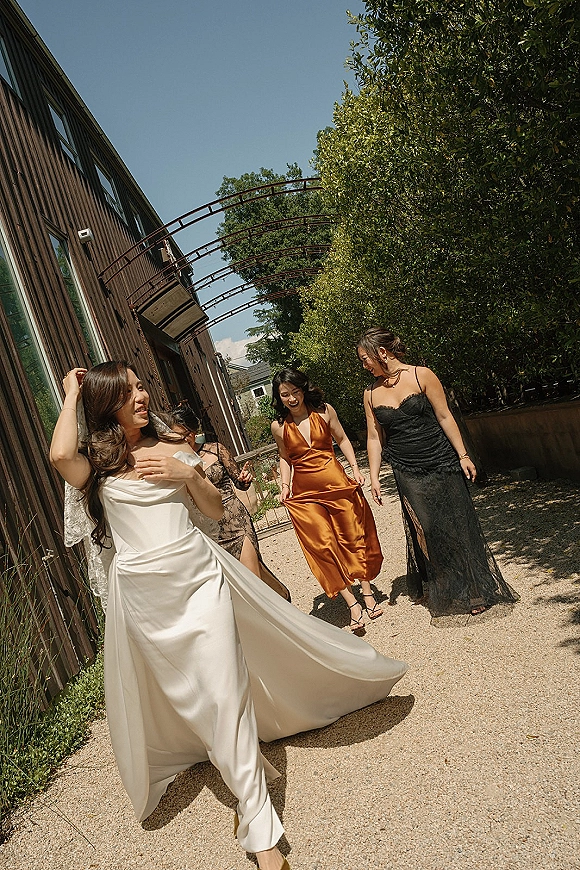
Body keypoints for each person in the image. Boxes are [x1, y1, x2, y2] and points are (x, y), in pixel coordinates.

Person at [51, 361, 408, 870]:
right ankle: (239, 776)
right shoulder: (98, 465)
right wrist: (69, 393)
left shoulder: (175, 444)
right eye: (129, 391)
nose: (142, 396)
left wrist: (186, 473)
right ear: (105, 402)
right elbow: (60, 453)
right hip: (145, 598)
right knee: (195, 700)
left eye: (142, 386)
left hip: (199, 579)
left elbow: (216, 510)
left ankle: (260, 833)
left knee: (224, 689)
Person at [357, 327, 519, 618]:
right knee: (429, 528)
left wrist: (463, 455)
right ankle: (447, 585)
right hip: (406, 468)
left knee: (458, 523)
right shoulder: (370, 394)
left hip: (440, 459)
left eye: (365, 359)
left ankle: (474, 587)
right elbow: (373, 437)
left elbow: (445, 415)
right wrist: (374, 477)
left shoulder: (422, 375)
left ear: (382, 353)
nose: (364, 365)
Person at [270, 367, 384, 633]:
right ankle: (352, 604)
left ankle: (367, 592)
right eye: (284, 394)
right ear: (279, 397)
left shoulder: (324, 411)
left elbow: (342, 439)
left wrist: (355, 468)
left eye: (295, 391)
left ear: (303, 389)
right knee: (323, 545)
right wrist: (284, 486)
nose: (291, 398)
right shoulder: (279, 426)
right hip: (305, 494)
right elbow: (285, 458)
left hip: (337, 484)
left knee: (353, 535)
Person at [166, 403, 291, 601]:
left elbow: (239, 484)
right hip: (210, 530)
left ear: (194, 431)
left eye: (185, 434)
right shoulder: (177, 463)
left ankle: (281, 616)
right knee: (241, 581)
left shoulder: (215, 450)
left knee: (253, 585)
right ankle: (281, 595)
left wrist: (244, 479)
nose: (182, 440)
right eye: (176, 437)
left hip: (236, 520)